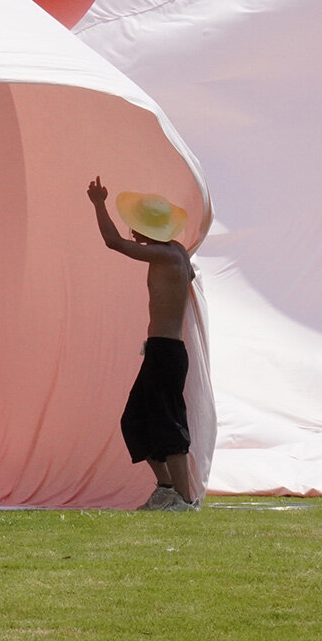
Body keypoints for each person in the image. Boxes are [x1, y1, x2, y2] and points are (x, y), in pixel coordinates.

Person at [87, 175, 200, 511]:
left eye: (137, 226)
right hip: (162, 350)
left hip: (165, 351)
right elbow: (188, 279)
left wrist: (98, 204)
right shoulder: (177, 252)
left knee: (168, 423)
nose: (132, 231)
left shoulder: (164, 255)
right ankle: (167, 490)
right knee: (134, 420)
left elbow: (113, 242)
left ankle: (184, 498)